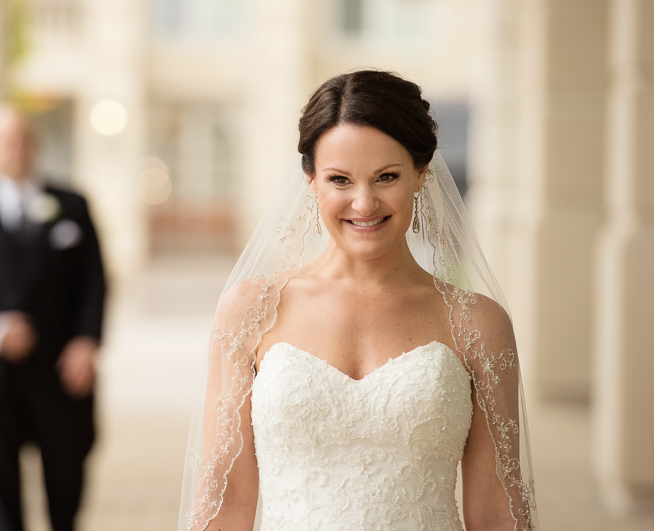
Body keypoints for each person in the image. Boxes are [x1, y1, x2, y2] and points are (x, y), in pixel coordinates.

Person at [179, 70, 539, 531]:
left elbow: (499, 516)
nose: (364, 203)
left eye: (386, 176)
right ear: (311, 181)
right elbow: (224, 505)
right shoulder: (251, 311)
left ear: (420, 176)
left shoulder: (479, 323)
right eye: (340, 180)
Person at [0, 105, 107, 531]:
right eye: (2, 140)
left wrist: (86, 342)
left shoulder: (72, 205)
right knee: (0, 481)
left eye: (19, 138)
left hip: (61, 370)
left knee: (67, 477)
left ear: (35, 145)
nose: (12, 148)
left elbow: (95, 280)